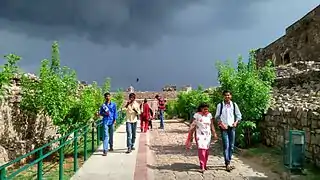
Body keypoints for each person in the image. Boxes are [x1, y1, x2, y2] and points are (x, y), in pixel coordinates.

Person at [186, 103, 218, 173]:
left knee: (206, 150)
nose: (206, 110)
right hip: (199, 135)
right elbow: (193, 125)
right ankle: (202, 165)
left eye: (207, 109)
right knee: (201, 149)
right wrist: (191, 135)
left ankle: (205, 164)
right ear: (201, 109)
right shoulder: (197, 115)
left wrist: (214, 133)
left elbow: (212, 125)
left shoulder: (209, 115)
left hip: (208, 135)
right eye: (204, 109)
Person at [215, 90, 242, 172]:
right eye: (226, 95)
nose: (227, 97)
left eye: (229, 95)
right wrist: (221, 124)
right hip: (224, 128)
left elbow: (239, 115)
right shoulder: (220, 105)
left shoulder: (234, 105)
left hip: (232, 127)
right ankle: (227, 163)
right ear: (223, 96)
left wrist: (236, 122)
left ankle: (229, 160)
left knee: (232, 145)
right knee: (226, 145)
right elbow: (217, 117)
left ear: (231, 96)